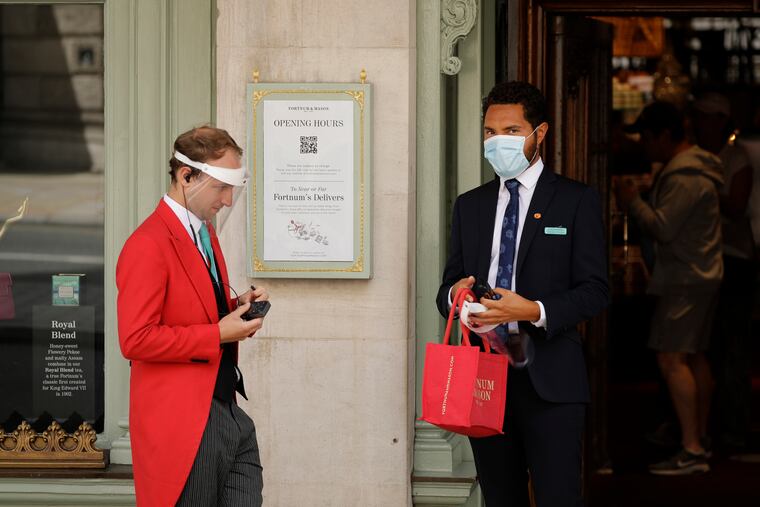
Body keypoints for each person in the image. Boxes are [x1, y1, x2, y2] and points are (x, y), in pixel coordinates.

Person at [436, 81, 609, 506]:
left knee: (558, 496)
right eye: (490, 133)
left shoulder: (575, 200)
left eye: (511, 131)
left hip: (550, 380)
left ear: (540, 133)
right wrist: (456, 300)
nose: (498, 142)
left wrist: (534, 310)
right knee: (499, 498)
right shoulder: (470, 205)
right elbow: (448, 287)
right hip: (484, 379)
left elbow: (596, 291)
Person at [116, 126, 267, 506]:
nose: (229, 199)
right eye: (221, 186)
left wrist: (237, 310)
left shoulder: (205, 235)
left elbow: (196, 311)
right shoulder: (147, 244)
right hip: (184, 426)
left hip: (227, 413)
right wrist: (218, 333)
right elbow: (135, 339)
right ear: (187, 177)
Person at [615, 101, 723, 474]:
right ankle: (698, 437)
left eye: (646, 137)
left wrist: (633, 202)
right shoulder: (695, 168)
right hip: (699, 273)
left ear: (664, 136)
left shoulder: (684, 176)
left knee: (672, 358)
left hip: (684, 277)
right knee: (694, 356)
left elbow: (663, 227)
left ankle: (691, 447)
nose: (644, 145)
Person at [691, 92, 756, 451]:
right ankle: (706, 426)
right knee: (705, 346)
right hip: (705, 257)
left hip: (733, 258)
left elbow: (736, 205)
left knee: (733, 347)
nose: (699, 123)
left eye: (705, 117)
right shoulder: (700, 157)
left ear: (720, 120)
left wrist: (704, 186)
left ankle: (736, 428)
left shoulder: (735, 157)